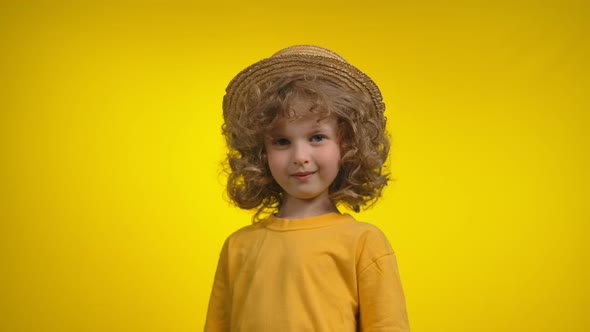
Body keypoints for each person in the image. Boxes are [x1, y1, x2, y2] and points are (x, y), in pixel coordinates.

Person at [205, 45, 410, 331]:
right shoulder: (238, 247)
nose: (300, 156)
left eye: (316, 137)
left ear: (348, 145)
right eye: (281, 141)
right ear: (261, 152)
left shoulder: (363, 243)